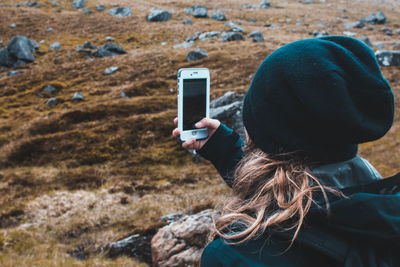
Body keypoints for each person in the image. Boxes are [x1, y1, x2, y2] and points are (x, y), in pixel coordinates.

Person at [172, 36, 400, 266]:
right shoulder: (383, 207)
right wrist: (224, 149)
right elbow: (310, 193)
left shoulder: (236, 255)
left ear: (270, 132)